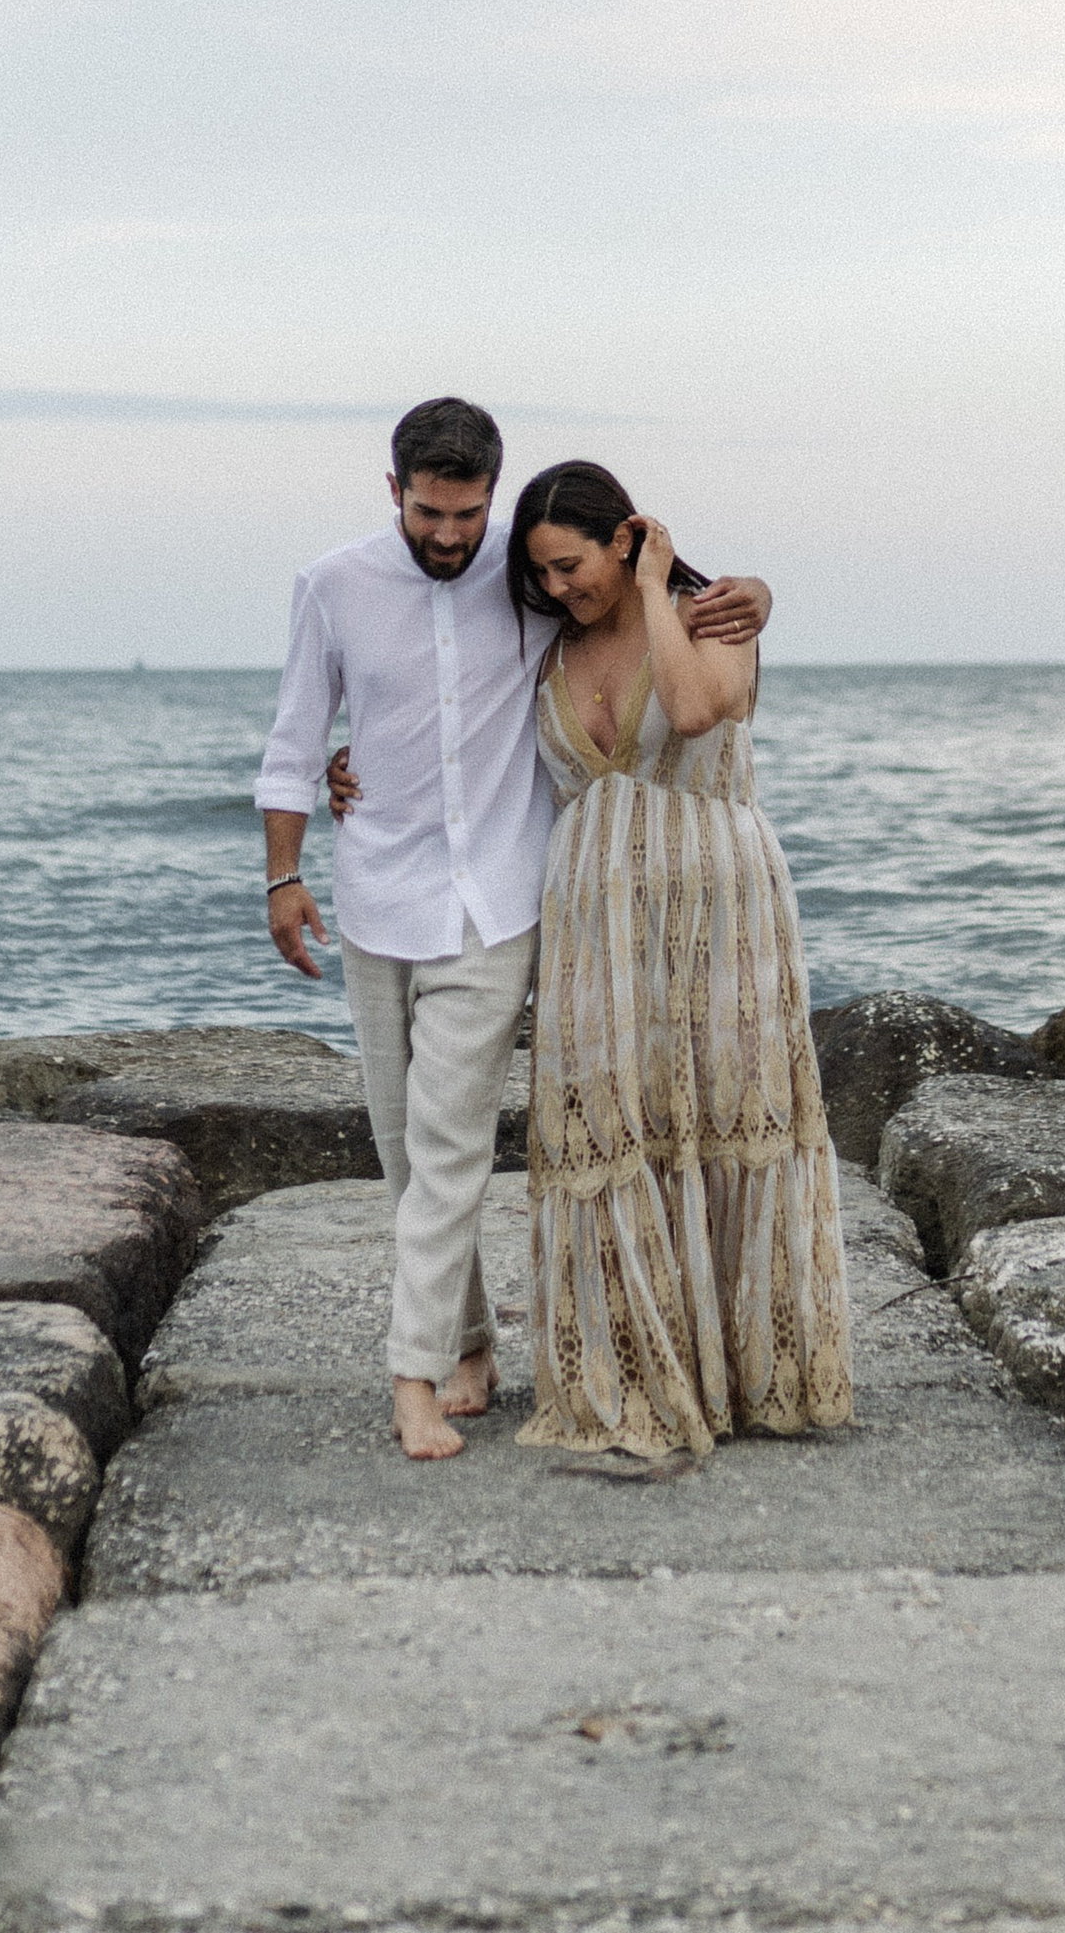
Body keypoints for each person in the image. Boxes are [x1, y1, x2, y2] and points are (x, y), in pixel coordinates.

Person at [255, 397, 771, 1461]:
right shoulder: (334, 585)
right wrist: (284, 873)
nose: (449, 535)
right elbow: (297, 738)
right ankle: (474, 1346)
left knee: (448, 1150)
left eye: (467, 513)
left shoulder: (528, 579)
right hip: (376, 899)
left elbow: (645, 606)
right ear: (394, 490)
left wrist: (758, 594)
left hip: (497, 902)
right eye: (429, 513)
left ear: (492, 494)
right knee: (406, 1155)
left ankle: (413, 1381)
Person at [508, 458, 852, 1460]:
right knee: (615, 1118)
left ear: (625, 538)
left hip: (719, 901)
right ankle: (634, 1370)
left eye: (572, 566)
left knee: (724, 1104)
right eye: (541, 576)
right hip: (593, 920)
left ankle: (744, 1376)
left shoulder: (713, 616)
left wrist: (662, 585)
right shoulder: (542, 646)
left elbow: (697, 711)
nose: (559, 590)